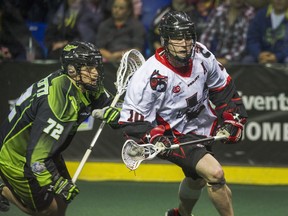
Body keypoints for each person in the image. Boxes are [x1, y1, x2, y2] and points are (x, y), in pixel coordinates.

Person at [118, 11, 247, 216]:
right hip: (170, 134)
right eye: (177, 37)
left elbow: (223, 89)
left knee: (196, 180)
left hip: (201, 126)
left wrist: (232, 117)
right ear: (165, 40)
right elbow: (132, 121)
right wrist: (153, 136)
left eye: (188, 36)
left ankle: (180, 214)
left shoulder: (202, 56)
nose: (184, 43)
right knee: (215, 174)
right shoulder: (149, 75)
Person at [0, 41, 120, 215]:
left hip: (45, 151)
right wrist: (56, 182)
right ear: (72, 69)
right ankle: (2, 188)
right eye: (88, 68)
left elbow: (111, 105)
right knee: (46, 211)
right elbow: (36, 159)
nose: (95, 73)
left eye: (96, 67)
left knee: (61, 203)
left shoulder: (83, 83)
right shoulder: (57, 103)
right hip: (18, 157)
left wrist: (117, 112)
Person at [148, 0, 215, 56]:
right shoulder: (165, 12)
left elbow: (204, 35)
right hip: (165, 56)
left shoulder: (195, 13)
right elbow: (152, 35)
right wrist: (165, 52)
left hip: (192, 55)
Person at [200, 0, 254, 65]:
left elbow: (243, 45)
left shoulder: (249, 13)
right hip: (217, 54)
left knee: (247, 61)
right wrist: (207, 56)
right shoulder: (219, 10)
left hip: (238, 58)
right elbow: (206, 36)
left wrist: (227, 59)